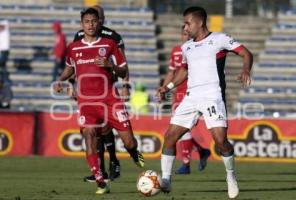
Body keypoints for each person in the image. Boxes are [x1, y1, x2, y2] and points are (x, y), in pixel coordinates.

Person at [157, 6, 253, 199]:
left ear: (199, 22)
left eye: (187, 23)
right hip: (191, 97)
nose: (185, 27)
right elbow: (183, 71)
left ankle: (230, 175)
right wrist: (166, 87)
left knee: (220, 142)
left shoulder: (219, 39)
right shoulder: (187, 47)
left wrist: (245, 70)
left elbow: (246, 53)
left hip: (213, 96)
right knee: (169, 137)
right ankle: (166, 180)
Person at [54, 8, 144, 195]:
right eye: (87, 22)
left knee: (129, 142)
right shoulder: (74, 47)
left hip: (110, 100)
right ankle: (100, 181)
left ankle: (134, 153)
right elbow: (70, 68)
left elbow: (123, 70)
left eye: (94, 21)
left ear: (99, 22)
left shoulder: (110, 44)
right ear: (82, 24)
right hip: (87, 103)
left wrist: (111, 66)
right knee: (89, 135)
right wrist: (60, 80)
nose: (90, 25)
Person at [72, 5, 131, 182]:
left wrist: (125, 84)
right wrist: (71, 84)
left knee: (105, 128)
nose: (95, 22)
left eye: (98, 17)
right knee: (95, 130)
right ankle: (100, 170)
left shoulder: (113, 37)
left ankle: (113, 160)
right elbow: (75, 62)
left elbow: (123, 63)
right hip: (88, 90)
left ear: (102, 18)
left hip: (108, 86)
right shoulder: (80, 36)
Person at [162, 27, 210, 175]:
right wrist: (164, 88)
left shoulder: (200, 50)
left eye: (188, 34)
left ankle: (186, 164)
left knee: (183, 129)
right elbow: (172, 72)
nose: (186, 37)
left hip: (193, 93)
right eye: (184, 34)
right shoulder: (176, 51)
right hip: (178, 93)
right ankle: (201, 152)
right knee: (181, 129)